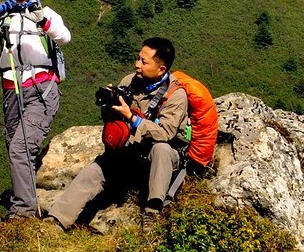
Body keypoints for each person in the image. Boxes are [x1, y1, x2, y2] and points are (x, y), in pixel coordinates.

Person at [45, 36, 209, 230]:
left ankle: (152, 210)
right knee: (94, 171)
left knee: (162, 149)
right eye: (138, 58)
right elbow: (116, 123)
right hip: (131, 153)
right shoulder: (130, 81)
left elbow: (165, 133)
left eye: (143, 61)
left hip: (157, 160)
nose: (137, 64)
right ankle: (55, 220)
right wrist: (110, 106)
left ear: (161, 69)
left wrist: (133, 119)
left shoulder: (175, 95)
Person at [0, 0, 71, 219]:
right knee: (14, 147)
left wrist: (41, 19)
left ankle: (23, 213)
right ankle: (26, 203)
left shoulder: (46, 15)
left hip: (41, 91)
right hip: (12, 91)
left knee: (21, 148)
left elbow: (64, 37)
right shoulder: (5, 17)